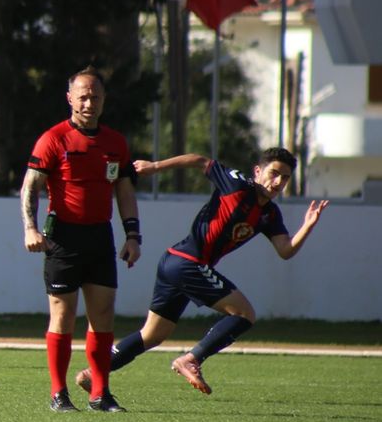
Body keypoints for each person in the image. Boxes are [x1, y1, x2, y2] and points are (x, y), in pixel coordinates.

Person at [74, 149, 329, 395]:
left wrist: (307, 226)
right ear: (257, 171)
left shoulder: (270, 214)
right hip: (188, 262)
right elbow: (200, 161)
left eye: (285, 178)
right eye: (274, 173)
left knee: (152, 335)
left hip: (175, 262)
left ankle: (93, 374)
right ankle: (191, 359)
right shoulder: (237, 184)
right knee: (244, 313)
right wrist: (155, 166)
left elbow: (285, 250)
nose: (278, 182)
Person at [21, 66, 141, 413]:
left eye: (95, 97)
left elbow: (124, 191)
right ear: (70, 98)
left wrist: (133, 235)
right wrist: (30, 228)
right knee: (63, 315)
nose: (89, 103)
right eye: (83, 96)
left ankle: (100, 394)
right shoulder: (53, 139)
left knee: (103, 315)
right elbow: (30, 186)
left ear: (104, 100)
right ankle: (59, 394)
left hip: (100, 236)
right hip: (63, 237)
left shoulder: (116, 143)